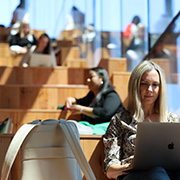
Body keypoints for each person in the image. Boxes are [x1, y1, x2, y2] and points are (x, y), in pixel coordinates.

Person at [103, 60, 180, 180]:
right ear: (135, 85)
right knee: (157, 172)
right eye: (144, 84)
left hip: (170, 174)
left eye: (155, 85)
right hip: (133, 175)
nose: (150, 89)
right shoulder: (120, 121)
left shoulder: (173, 120)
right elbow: (110, 170)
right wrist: (129, 166)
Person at [65, 67, 124, 134]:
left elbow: (105, 112)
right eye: (87, 78)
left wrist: (82, 109)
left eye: (91, 77)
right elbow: (81, 102)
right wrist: (71, 99)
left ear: (101, 78)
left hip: (108, 130)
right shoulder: (91, 95)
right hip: (91, 127)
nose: (88, 80)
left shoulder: (112, 95)